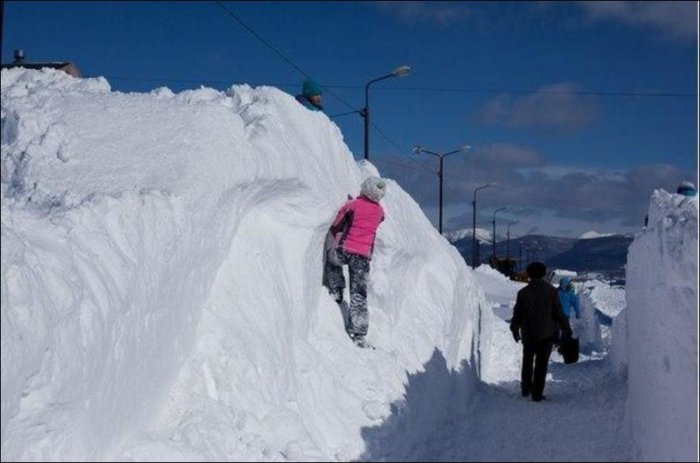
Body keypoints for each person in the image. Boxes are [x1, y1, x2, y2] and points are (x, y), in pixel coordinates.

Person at [324, 176, 386, 348]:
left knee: (332, 259)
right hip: (363, 257)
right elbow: (378, 220)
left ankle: (337, 289)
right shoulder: (380, 213)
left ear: (365, 189)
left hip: (346, 250)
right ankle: (358, 334)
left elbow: (336, 223)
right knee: (359, 295)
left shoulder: (352, 206)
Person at [510, 262, 572, 402]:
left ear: (529, 274)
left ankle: (526, 388)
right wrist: (566, 328)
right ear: (544, 274)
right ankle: (537, 393)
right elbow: (558, 313)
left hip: (528, 333)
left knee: (527, 360)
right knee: (541, 363)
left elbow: (518, 314)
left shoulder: (523, 293)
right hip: (547, 334)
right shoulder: (551, 291)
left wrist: (514, 329)